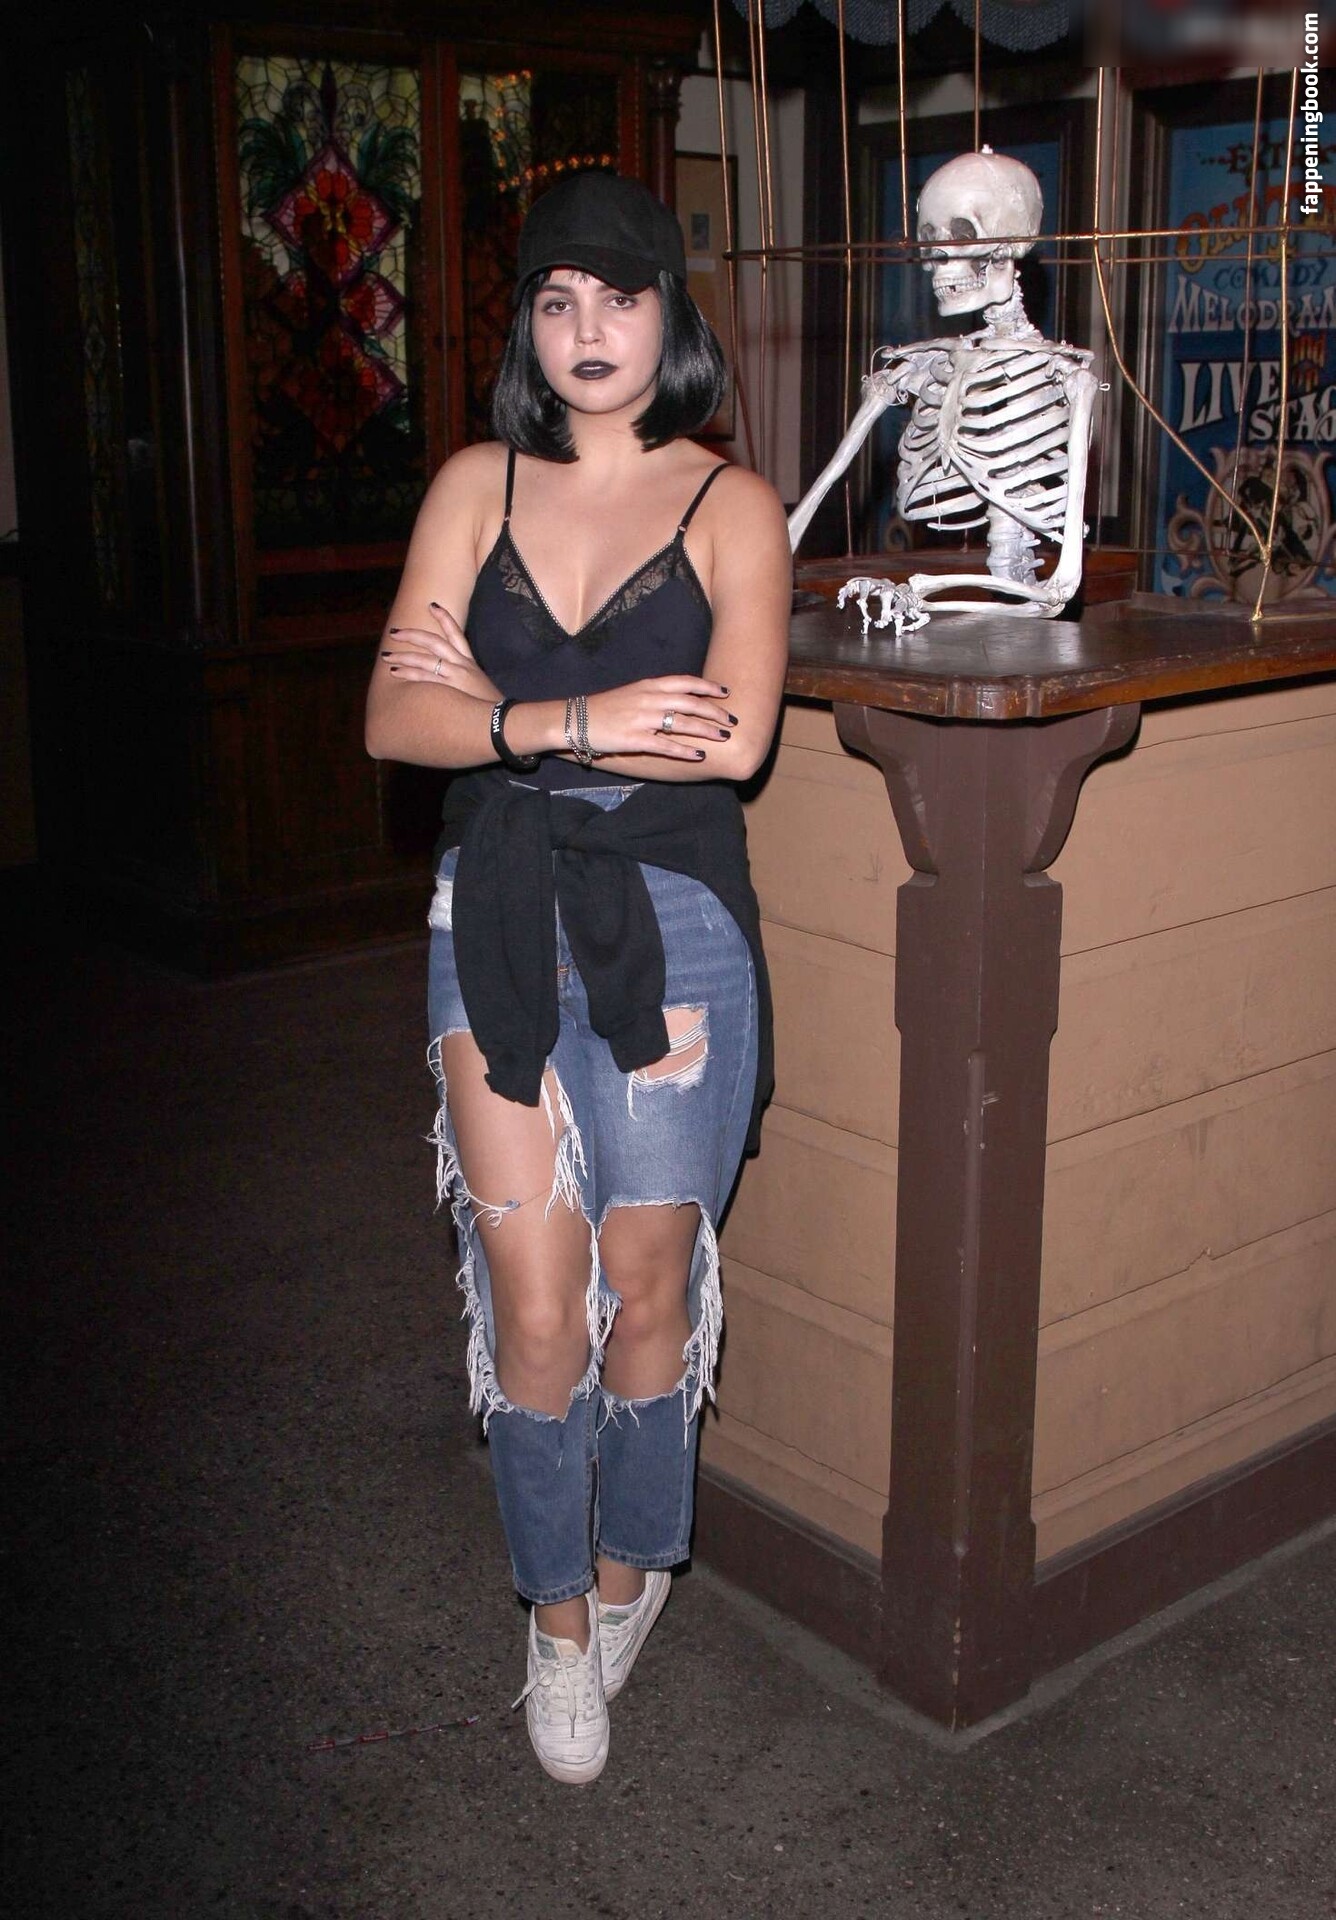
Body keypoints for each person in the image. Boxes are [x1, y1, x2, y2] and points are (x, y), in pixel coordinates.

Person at [365, 170, 790, 1785]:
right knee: (533, 1304)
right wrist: (580, 722)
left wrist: (489, 706)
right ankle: (553, 1619)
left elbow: (731, 742)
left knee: (647, 1282)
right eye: (556, 300)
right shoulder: (476, 484)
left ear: (672, 317)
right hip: (488, 905)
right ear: (527, 328)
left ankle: (630, 1573)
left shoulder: (730, 504)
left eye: (621, 296)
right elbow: (392, 718)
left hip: (675, 921)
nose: (587, 329)